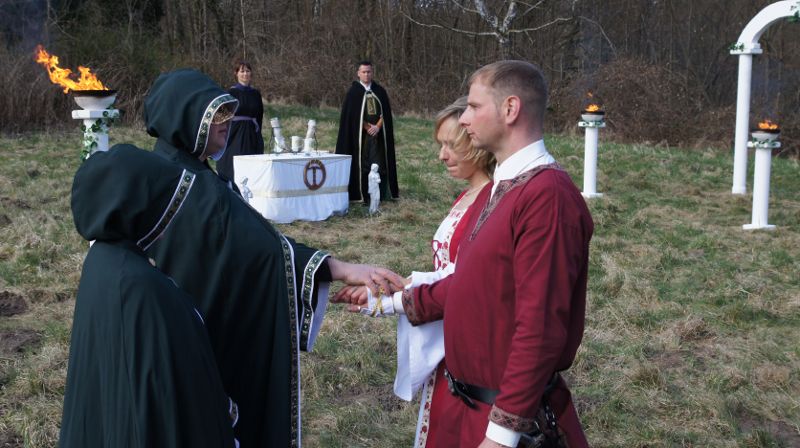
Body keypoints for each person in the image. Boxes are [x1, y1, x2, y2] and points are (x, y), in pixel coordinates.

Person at [141, 68, 405, 447]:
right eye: (215, 114)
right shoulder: (192, 187)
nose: (226, 122)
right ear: (185, 118)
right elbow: (262, 250)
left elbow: (257, 240)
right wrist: (341, 269)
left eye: (228, 112)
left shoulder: (175, 171)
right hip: (193, 333)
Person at [338, 61, 593, 447]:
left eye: (474, 106)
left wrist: (502, 435)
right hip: (467, 408)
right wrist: (390, 301)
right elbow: (468, 284)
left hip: (504, 423)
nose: (465, 118)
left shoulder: (547, 198)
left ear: (510, 109)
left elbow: (540, 329)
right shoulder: (503, 188)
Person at [61, 146, 237, 447]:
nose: (169, 215)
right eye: (158, 203)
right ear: (134, 209)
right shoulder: (141, 287)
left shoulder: (103, 260)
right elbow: (172, 390)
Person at [335, 60, 399, 203]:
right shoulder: (353, 93)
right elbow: (352, 117)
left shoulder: (380, 91)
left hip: (378, 137)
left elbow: (385, 114)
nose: (366, 74)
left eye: (369, 72)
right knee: (363, 165)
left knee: (378, 163)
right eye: (363, 72)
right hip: (360, 138)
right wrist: (366, 127)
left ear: (372, 73)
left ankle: (380, 194)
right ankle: (362, 194)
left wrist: (378, 126)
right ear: (358, 73)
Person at [216, 60, 264, 181]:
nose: (245, 74)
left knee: (252, 163)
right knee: (233, 163)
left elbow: (259, 116)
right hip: (234, 134)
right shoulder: (230, 93)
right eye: (242, 71)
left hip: (252, 134)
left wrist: (258, 135)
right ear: (236, 73)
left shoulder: (256, 94)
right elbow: (221, 116)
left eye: (247, 71)